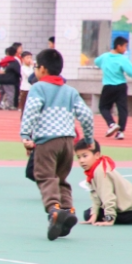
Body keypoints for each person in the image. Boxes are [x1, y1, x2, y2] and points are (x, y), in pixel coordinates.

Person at [19, 48, 96, 240]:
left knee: (45, 176)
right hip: (68, 141)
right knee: (61, 178)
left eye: (36, 66)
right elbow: (86, 115)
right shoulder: (70, 91)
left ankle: (53, 210)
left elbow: (31, 111)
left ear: (43, 69)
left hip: (47, 140)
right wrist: (88, 138)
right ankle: (67, 210)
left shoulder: (38, 88)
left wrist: (26, 135)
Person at [74, 138, 132, 226]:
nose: (81, 160)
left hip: (128, 210)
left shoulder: (100, 171)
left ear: (97, 155)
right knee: (90, 213)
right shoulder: (96, 168)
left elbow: (107, 196)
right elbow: (95, 196)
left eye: (85, 156)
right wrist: (94, 214)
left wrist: (109, 218)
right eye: (78, 157)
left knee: (88, 214)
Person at [95, 36, 132, 139]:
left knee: (103, 107)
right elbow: (131, 71)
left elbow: (97, 61)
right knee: (122, 109)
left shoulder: (105, 57)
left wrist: (103, 66)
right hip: (121, 86)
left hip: (108, 86)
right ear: (118, 46)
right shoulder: (122, 59)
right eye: (125, 46)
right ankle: (120, 132)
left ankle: (111, 123)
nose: (125, 49)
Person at [0, 45, 21, 110]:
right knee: (10, 93)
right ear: (15, 53)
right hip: (10, 80)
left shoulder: (3, 60)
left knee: (1, 93)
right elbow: (18, 71)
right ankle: (10, 105)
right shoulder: (14, 61)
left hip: (1, 79)